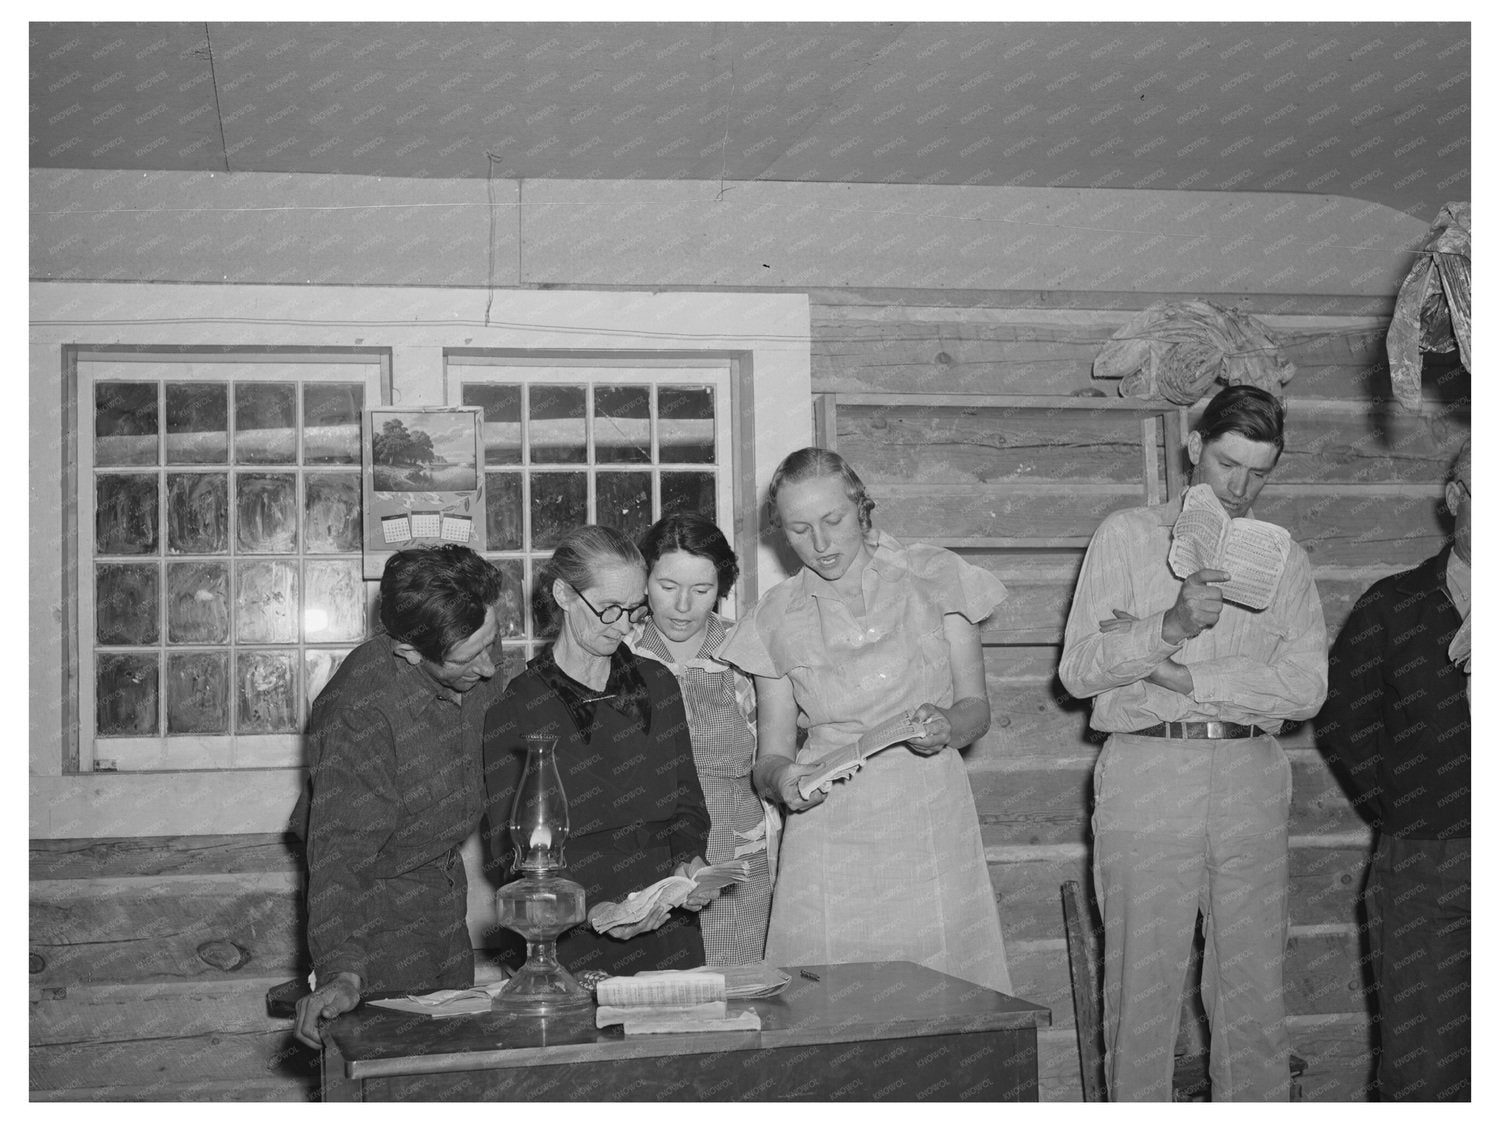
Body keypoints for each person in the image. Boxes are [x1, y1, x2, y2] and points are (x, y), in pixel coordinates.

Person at [1058, 384, 1328, 1101]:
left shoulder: (1284, 560)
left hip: (1251, 775)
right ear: (1193, 447)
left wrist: (1181, 676)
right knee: (1141, 993)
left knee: (1254, 996)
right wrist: (1168, 628)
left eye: (1259, 471)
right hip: (1150, 770)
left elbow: (1305, 689)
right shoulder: (1125, 536)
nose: (1239, 488)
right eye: (1227, 464)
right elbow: (1081, 670)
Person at [719, 448, 1011, 992]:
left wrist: (948, 725)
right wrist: (784, 782)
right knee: (827, 996)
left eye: (833, 521)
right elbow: (771, 757)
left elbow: (976, 710)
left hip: (927, 814)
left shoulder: (937, 577)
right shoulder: (774, 617)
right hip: (830, 827)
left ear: (861, 507)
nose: (821, 545)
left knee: (942, 990)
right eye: (800, 529)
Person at [291, 545, 505, 1048]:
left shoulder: (467, 643)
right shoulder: (358, 712)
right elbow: (340, 854)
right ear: (409, 650)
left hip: (444, 907)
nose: (491, 669)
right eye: (469, 658)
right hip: (376, 927)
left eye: (492, 642)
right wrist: (342, 971)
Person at [483, 525, 716, 977]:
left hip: (670, 934)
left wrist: (690, 864)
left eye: (634, 610)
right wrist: (593, 910)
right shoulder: (518, 708)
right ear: (565, 595)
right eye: (609, 609)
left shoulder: (658, 684)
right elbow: (507, 854)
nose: (624, 626)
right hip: (572, 944)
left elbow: (689, 806)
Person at [1316, 440, 1470, 1101]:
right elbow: (1342, 722)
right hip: (1424, 863)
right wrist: (1405, 807)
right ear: (1458, 499)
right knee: (1422, 1068)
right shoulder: (1394, 604)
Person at [630, 513, 775, 966]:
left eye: (702, 589)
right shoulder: (620, 654)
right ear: (644, 580)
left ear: (722, 586)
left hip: (736, 860)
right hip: (643, 859)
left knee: (736, 996)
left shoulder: (745, 650)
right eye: (667, 586)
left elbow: (775, 752)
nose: (682, 605)